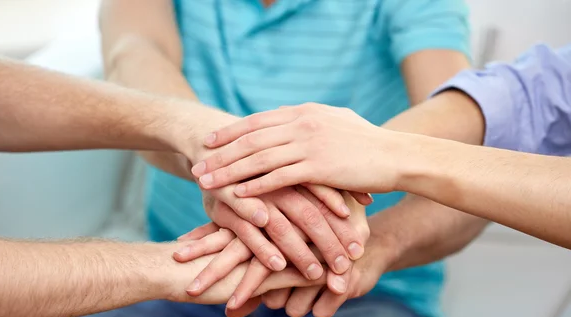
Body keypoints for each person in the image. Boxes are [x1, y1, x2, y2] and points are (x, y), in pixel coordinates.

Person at [0, 1, 487, 317]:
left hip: (357, 295)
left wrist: (367, 251)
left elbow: (461, 155)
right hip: (186, 283)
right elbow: (135, 56)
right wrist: (223, 162)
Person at [0, 54, 325, 317]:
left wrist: (204, 137)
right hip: (185, 295)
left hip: (343, 303)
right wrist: (177, 266)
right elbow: (135, 50)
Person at [191, 44, 571, 250]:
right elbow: (530, 93)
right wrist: (348, 163)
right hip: (210, 264)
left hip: (373, 294)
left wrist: (389, 153)